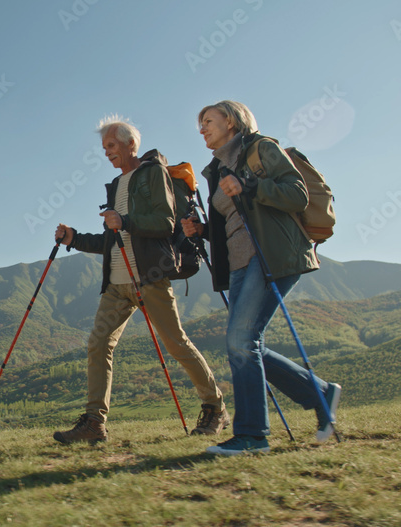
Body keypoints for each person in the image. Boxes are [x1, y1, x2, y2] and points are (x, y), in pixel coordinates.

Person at [52, 115, 228, 444]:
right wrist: (73, 238)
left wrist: (126, 220)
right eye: (104, 148)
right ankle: (94, 423)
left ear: (131, 144)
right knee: (98, 344)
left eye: (112, 145)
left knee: (176, 345)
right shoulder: (117, 185)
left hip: (149, 277)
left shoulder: (153, 174)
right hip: (117, 283)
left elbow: (164, 222)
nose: (107, 153)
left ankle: (215, 407)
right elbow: (112, 240)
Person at [181, 100, 342, 456]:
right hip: (238, 264)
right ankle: (320, 393)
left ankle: (252, 435)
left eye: (208, 120)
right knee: (247, 345)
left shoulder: (261, 149)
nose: (202, 128)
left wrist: (250, 187)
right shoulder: (214, 169)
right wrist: (203, 230)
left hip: (272, 255)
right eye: (200, 124)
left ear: (233, 121)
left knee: (241, 342)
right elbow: (233, 222)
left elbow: (296, 194)